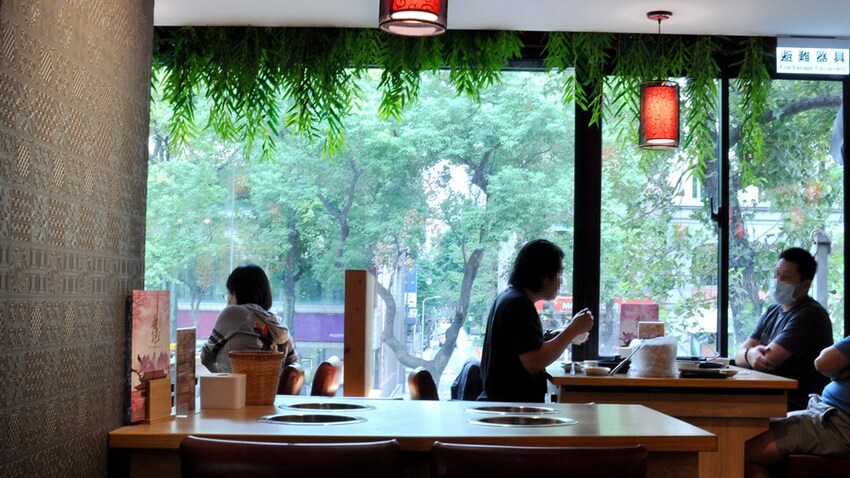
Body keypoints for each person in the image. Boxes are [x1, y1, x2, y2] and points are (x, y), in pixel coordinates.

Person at [478, 239, 594, 403]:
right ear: (544, 276)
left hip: (503, 402)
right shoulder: (519, 304)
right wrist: (573, 330)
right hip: (513, 407)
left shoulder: (508, 297)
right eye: (559, 273)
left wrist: (555, 335)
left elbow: (524, 345)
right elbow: (534, 362)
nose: (561, 281)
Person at [734, 247, 833, 411]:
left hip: (796, 406)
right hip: (769, 399)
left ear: (806, 285)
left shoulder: (810, 314)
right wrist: (749, 354)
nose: (777, 282)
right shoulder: (772, 311)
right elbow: (738, 357)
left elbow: (767, 361)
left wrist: (750, 355)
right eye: (776, 275)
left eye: (785, 277)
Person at [745, 337, 850, 478]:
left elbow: (822, 363)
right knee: (750, 432)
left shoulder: (809, 322)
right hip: (830, 414)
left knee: (742, 449)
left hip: (838, 423)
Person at [201, 264, 299, 373]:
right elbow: (294, 366)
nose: (228, 300)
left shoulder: (234, 313)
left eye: (229, 293)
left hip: (235, 383)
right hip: (268, 384)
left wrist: (223, 377)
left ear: (237, 293)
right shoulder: (277, 323)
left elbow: (206, 356)